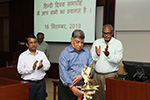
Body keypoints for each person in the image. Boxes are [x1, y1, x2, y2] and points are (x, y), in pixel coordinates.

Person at [58, 29, 95, 100]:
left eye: (82, 42)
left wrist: (83, 76)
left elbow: (92, 67)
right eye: (77, 42)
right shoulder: (65, 53)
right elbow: (63, 72)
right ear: (71, 40)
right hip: (67, 88)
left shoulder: (86, 52)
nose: (80, 45)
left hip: (82, 87)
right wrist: (71, 87)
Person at [90, 24, 123, 100]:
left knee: (108, 96)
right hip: (97, 76)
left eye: (108, 33)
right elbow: (91, 58)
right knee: (95, 96)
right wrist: (97, 54)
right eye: (104, 33)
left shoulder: (117, 44)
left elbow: (118, 60)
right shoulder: (97, 42)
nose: (106, 35)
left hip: (110, 75)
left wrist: (108, 55)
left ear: (112, 33)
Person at [17, 34, 51, 100]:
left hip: (41, 83)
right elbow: (20, 70)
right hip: (29, 84)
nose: (33, 44)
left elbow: (48, 66)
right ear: (27, 44)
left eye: (35, 42)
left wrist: (42, 66)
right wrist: (31, 69)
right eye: (31, 43)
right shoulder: (23, 56)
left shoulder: (41, 54)